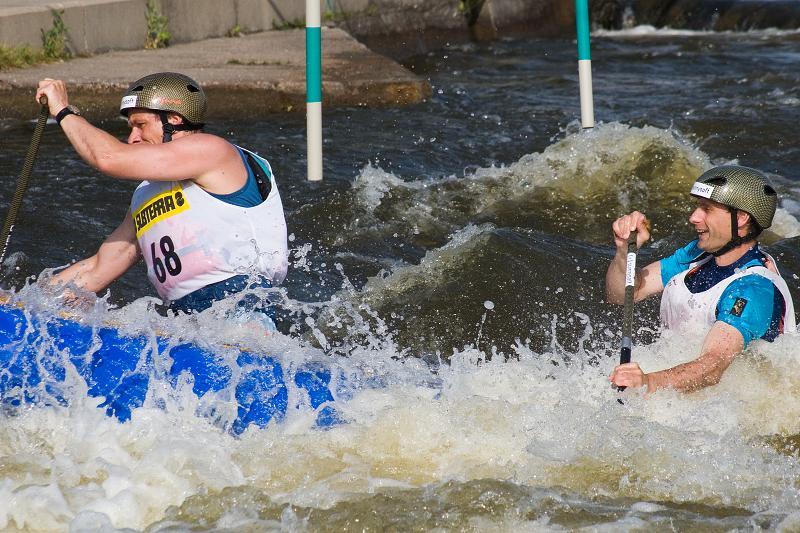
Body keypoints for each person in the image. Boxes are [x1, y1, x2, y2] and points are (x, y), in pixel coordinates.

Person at [35, 72, 288, 322]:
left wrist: (63, 111)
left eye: (140, 125)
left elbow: (109, 158)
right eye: (131, 128)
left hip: (241, 304)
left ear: (175, 120)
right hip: (182, 318)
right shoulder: (145, 194)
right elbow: (97, 267)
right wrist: (32, 301)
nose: (132, 138)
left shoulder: (213, 150)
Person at [607, 165, 796, 393]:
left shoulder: (753, 288)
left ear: (742, 218)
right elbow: (622, 294)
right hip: (677, 391)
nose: (693, 217)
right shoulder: (697, 255)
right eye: (697, 207)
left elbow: (712, 366)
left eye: (706, 209)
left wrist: (648, 383)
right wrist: (624, 251)